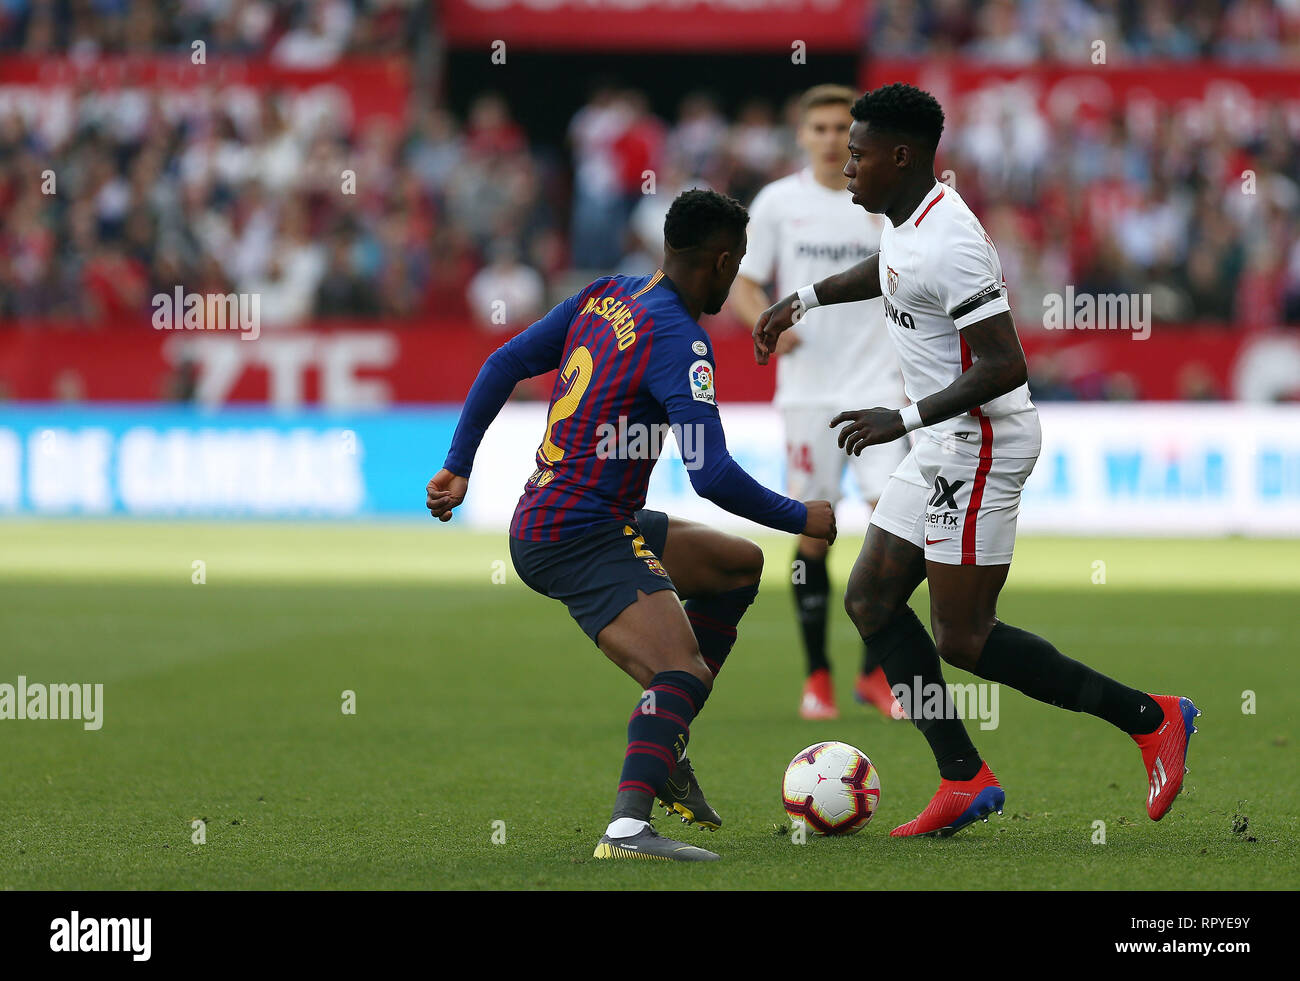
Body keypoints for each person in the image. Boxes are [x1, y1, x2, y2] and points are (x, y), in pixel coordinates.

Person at [753, 84, 1198, 837]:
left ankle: (1154, 718)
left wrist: (899, 415)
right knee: (870, 599)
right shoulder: (903, 218)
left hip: (982, 440)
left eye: (858, 154)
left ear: (901, 156)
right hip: (941, 439)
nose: (847, 166)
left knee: (963, 636)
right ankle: (963, 775)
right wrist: (804, 298)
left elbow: (1005, 363)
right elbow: (888, 271)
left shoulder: (951, 241)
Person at [429, 189, 836, 861]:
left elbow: (502, 361)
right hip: (576, 531)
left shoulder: (606, 294)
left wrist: (458, 466)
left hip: (569, 510)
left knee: (738, 565)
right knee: (681, 670)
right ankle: (626, 828)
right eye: (734, 269)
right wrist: (803, 514)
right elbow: (711, 474)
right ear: (722, 259)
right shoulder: (681, 338)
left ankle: (666, 743)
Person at [731, 84, 907, 722]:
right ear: (803, 135)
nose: (833, 139)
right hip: (807, 394)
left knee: (897, 524)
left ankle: (873, 672)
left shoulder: (884, 203)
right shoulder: (779, 202)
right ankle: (818, 676)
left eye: (843, 128)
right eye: (822, 128)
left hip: (879, 388)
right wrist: (767, 323)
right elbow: (744, 285)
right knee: (813, 534)